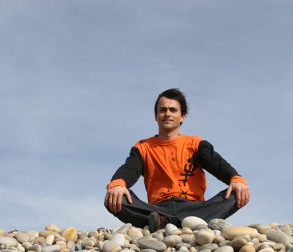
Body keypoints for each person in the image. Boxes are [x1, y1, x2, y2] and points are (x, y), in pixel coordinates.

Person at [105, 88, 250, 232]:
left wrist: (236, 179)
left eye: (173, 110)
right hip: (158, 207)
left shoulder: (195, 143)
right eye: (163, 110)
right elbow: (130, 168)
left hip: (195, 207)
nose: (167, 114)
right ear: (156, 116)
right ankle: (185, 223)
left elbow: (217, 163)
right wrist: (118, 183)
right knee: (115, 196)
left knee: (236, 193)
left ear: (182, 116)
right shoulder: (143, 147)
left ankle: (165, 222)